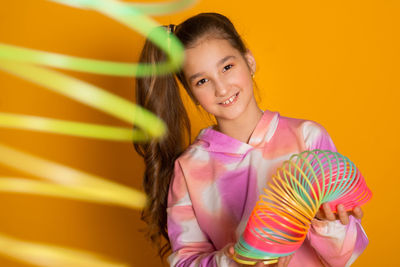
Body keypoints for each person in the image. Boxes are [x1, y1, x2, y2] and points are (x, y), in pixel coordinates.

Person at [134, 12, 368, 267]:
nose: (221, 88)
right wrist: (237, 259)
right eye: (202, 81)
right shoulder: (189, 169)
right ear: (191, 93)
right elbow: (185, 260)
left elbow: (345, 256)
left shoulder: (308, 138)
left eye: (227, 67)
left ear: (249, 61)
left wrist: (331, 227)